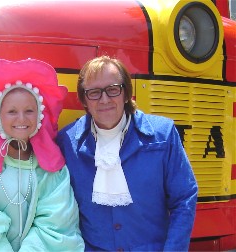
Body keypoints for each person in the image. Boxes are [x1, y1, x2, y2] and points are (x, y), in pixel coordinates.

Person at [56, 56, 198, 251]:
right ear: (84, 100)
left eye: (113, 89)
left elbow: (184, 199)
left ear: (126, 93)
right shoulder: (67, 141)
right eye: (94, 93)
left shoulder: (163, 135)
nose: (104, 99)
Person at [0, 58, 84, 251]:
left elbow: (57, 224)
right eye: (12, 111)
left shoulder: (51, 167)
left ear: (39, 115)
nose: (22, 119)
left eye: (29, 110)